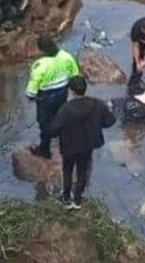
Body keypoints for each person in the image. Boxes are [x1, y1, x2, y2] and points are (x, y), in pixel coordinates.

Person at [44, 76, 115, 209]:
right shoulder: (97, 104)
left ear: (71, 90)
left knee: (68, 170)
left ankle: (66, 198)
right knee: (82, 170)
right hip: (88, 144)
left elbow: (53, 129)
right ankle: (78, 199)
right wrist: (97, 125)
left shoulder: (65, 108)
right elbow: (110, 120)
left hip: (69, 145)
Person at [26, 35, 80, 159]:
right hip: (63, 93)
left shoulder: (39, 65)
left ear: (41, 50)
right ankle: (65, 145)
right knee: (61, 117)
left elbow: (32, 88)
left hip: (45, 97)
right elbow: (75, 74)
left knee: (44, 124)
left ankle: (45, 150)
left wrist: (31, 96)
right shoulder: (67, 56)